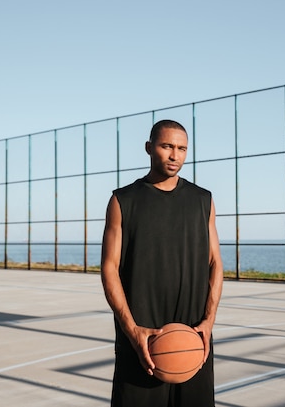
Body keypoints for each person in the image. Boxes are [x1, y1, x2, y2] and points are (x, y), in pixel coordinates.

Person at [100, 119, 224, 406]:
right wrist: (132, 331)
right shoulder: (123, 200)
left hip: (192, 339)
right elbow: (109, 268)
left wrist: (208, 322)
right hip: (142, 340)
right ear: (149, 147)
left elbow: (216, 263)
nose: (174, 155)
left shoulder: (203, 200)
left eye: (181, 148)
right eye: (166, 146)